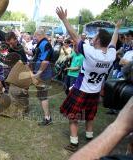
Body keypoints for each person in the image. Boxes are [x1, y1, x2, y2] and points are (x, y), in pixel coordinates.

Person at [56, 6, 121, 152]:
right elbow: (114, 42)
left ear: (98, 41)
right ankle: (90, 137)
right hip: (95, 91)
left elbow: (74, 36)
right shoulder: (111, 55)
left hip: (81, 89)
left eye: (95, 37)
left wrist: (64, 19)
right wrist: (116, 28)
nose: (93, 38)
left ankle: (74, 143)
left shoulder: (91, 52)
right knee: (89, 116)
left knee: (73, 116)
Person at [32, 29, 54, 126]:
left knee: (43, 96)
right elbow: (37, 56)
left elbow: (45, 61)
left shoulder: (45, 44)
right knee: (41, 95)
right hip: (41, 74)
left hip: (43, 75)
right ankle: (47, 116)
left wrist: (39, 73)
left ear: (38, 35)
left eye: (35, 36)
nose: (34, 38)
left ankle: (47, 118)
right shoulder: (42, 44)